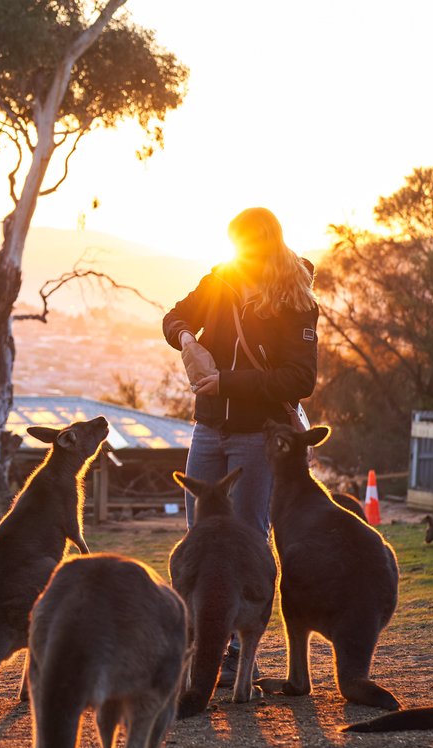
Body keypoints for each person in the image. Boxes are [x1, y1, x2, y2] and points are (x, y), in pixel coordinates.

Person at [162, 207, 320, 685]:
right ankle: (199, 643)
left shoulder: (295, 298)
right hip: (209, 427)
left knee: (249, 536)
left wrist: (227, 381)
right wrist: (186, 338)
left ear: (266, 244)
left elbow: (300, 379)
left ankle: (236, 652)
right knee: (200, 535)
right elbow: (173, 316)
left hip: (257, 433)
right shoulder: (220, 281)